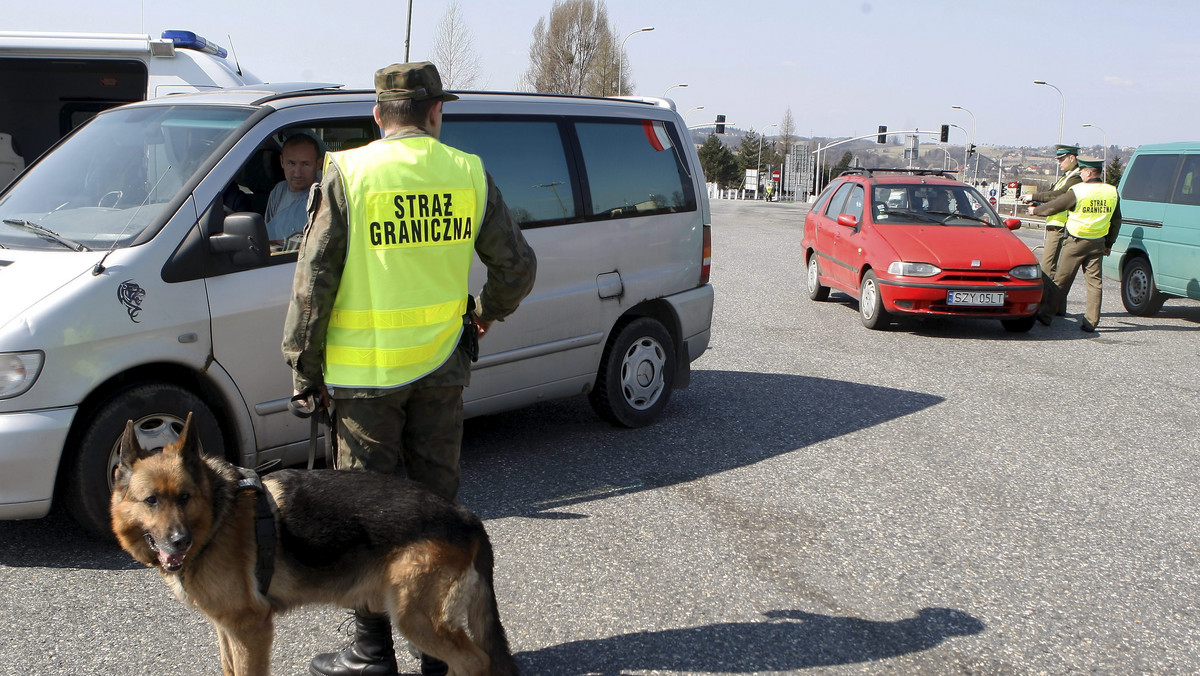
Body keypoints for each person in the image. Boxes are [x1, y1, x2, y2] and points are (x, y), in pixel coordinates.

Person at [281, 62, 537, 676]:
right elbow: (518, 267)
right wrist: (484, 314)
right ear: (435, 112)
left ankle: (371, 653)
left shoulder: (348, 171)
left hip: (362, 379)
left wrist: (303, 367)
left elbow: (313, 283)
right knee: (433, 510)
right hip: (442, 369)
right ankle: (439, 654)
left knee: (364, 520)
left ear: (377, 115)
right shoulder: (467, 173)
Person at [1032, 159, 1121, 332]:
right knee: (1095, 283)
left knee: (1061, 280)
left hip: (1076, 241)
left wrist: (1036, 210)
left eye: (1082, 171)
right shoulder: (1112, 192)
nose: (1080, 174)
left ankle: (1046, 315)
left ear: (1088, 173)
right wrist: (1109, 243)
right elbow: (1116, 220)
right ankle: (1091, 322)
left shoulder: (1079, 191)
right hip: (1098, 243)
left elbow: (1056, 206)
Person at [1023, 144, 1083, 291]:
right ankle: (1055, 307)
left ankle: (1047, 307)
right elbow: (1052, 195)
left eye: (1062, 159)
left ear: (1072, 158)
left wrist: (1034, 197)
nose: (1059, 163)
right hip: (1055, 225)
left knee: (1049, 270)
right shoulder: (1066, 176)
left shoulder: (1075, 178)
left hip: (1060, 227)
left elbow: (1060, 195)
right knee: (1054, 271)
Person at [265, 133, 323, 248]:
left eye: (305, 164)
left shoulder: (322, 196)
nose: (297, 173)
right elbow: (268, 238)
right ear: (282, 162)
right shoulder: (278, 191)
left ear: (318, 164)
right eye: (291, 163)